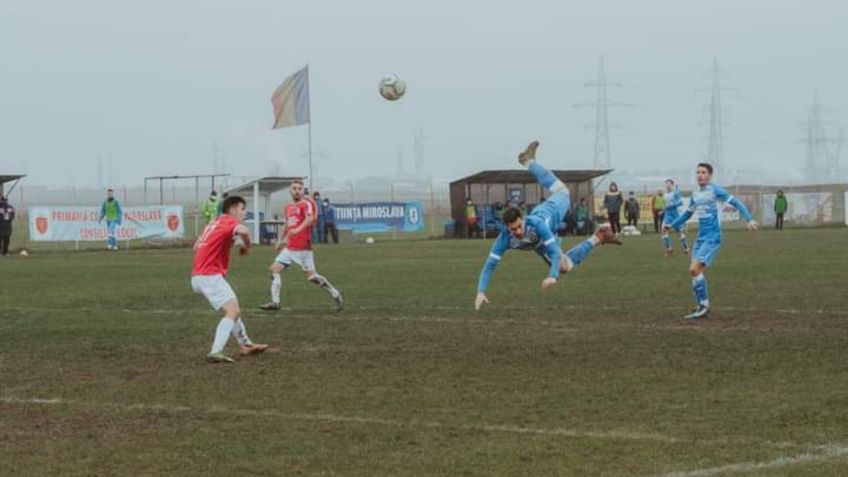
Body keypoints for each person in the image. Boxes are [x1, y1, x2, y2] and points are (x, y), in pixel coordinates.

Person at [474, 140, 621, 310]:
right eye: (513, 229)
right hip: (541, 244)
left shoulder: (536, 225)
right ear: (507, 228)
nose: (518, 231)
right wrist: (480, 291)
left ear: (523, 219)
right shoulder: (503, 239)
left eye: (520, 226)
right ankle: (599, 236)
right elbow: (489, 266)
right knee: (565, 267)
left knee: (563, 191)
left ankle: (528, 161)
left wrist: (552, 276)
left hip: (552, 211)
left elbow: (553, 252)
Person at [664, 163, 758, 320]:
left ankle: (704, 306)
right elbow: (687, 214)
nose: (700, 175)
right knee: (693, 272)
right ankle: (701, 305)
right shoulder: (696, 194)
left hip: (713, 236)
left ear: (710, 175)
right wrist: (671, 225)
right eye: (698, 172)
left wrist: (749, 219)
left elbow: (737, 203)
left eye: (704, 172)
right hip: (701, 237)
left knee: (694, 270)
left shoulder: (716, 190)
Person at [191, 195, 268, 363]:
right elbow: (245, 231)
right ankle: (215, 351)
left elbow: (196, 246)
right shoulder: (229, 220)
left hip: (200, 274)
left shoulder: (214, 222)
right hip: (209, 275)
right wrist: (247, 246)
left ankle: (246, 344)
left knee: (234, 307)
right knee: (232, 311)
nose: (244, 213)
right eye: (242, 209)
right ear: (232, 210)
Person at [259, 180, 343, 311]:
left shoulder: (306, 204)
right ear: (290, 191)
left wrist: (297, 230)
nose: (297, 191)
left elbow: (309, 219)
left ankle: (335, 293)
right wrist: (280, 240)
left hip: (303, 247)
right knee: (274, 270)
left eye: (299, 188)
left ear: (302, 191)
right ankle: (275, 302)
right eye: (294, 188)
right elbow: (287, 224)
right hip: (290, 247)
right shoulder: (288, 207)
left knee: (312, 277)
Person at [661, 179, 690, 258]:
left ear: (672, 185)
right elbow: (666, 205)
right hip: (667, 216)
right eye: (666, 184)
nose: (667, 186)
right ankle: (669, 249)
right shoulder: (665, 195)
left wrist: (672, 205)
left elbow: (681, 202)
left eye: (669, 184)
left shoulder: (675, 193)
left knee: (679, 234)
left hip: (675, 216)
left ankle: (686, 249)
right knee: (664, 232)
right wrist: (662, 210)